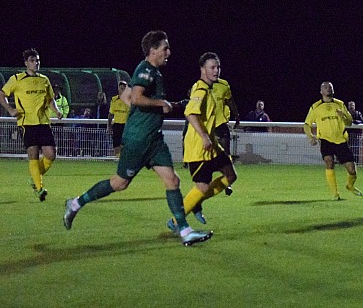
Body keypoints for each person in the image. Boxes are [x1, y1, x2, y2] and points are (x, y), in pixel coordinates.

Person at [62, 30, 213, 246]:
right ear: (153, 51)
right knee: (119, 183)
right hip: (138, 139)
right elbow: (136, 97)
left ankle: (185, 231)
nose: (168, 52)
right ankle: (75, 203)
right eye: (165, 48)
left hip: (153, 140)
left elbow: (128, 96)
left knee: (172, 180)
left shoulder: (154, 72)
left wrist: (173, 105)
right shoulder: (145, 70)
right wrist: (160, 104)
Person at [168, 52, 239, 232]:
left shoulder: (211, 88)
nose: (216, 71)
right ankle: (176, 221)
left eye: (218, 67)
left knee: (231, 175)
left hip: (212, 145)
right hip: (199, 147)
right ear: (202, 69)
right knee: (202, 186)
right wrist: (204, 136)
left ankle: (195, 204)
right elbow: (190, 113)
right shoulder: (200, 89)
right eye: (212, 67)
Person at [0, 48, 63, 201]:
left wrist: (56, 110)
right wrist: (10, 109)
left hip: (43, 122)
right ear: (26, 63)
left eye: (38, 61)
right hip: (26, 123)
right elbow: (2, 95)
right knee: (33, 155)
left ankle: (35, 178)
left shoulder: (44, 80)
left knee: (51, 154)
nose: (36, 63)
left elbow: (49, 99)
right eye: (33, 61)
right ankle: (40, 188)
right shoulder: (16, 79)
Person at [303, 81, 362, 200]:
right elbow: (306, 124)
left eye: (330, 87)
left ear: (333, 90)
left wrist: (343, 116)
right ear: (321, 91)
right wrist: (311, 136)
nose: (328, 89)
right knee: (329, 162)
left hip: (340, 140)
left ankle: (350, 186)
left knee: (352, 170)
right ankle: (335, 193)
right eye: (325, 87)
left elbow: (349, 122)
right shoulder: (315, 107)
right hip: (325, 140)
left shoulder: (340, 104)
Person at [107, 81, 129, 157]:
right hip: (117, 124)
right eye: (121, 88)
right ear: (118, 88)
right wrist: (109, 126)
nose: (122, 89)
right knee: (116, 143)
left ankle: (124, 158)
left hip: (126, 125)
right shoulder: (114, 99)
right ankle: (118, 158)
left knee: (125, 143)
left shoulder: (130, 100)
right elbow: (110, 114)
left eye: (124, 88)